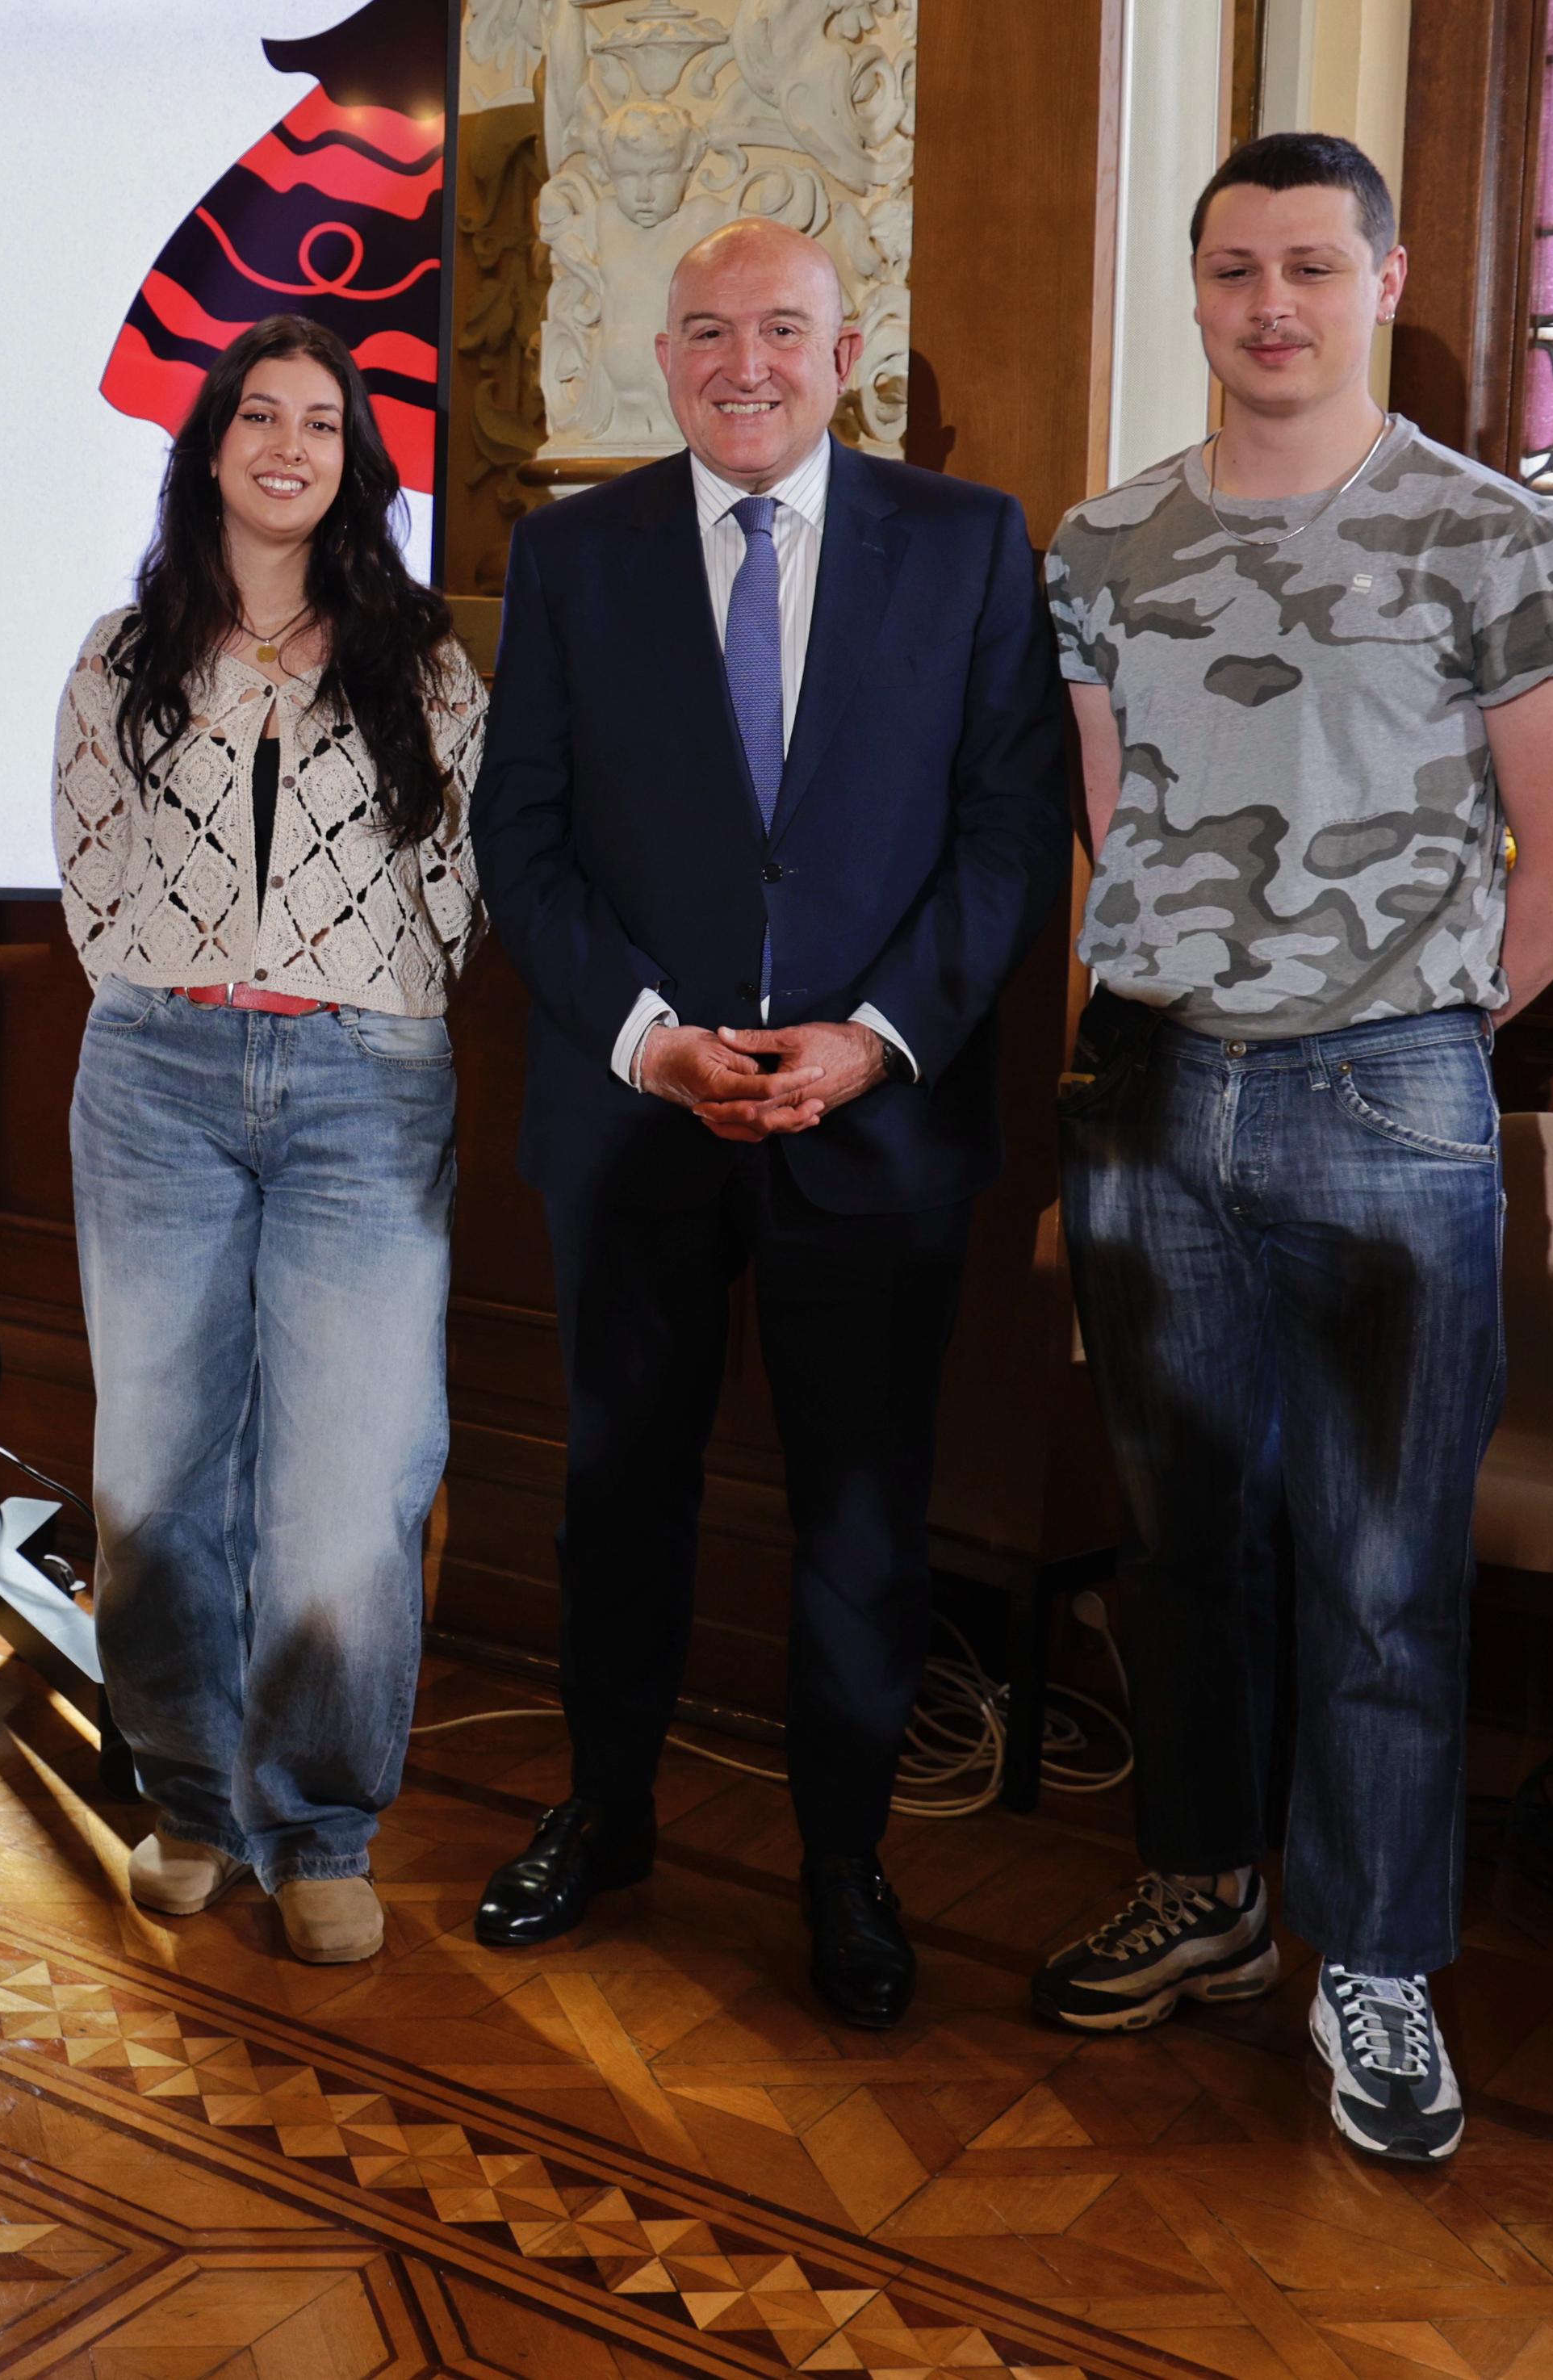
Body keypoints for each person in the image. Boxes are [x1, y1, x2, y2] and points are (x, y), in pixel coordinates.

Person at [1033, 133, 1553, 2165]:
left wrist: (1414, 1025)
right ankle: (1203, 1880)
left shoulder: (1492, 534)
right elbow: (1112, 825)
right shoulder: (1103, 543)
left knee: (1379, 1565)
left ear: (1381, 280)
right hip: (1147, 1090)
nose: (1266, 303)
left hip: (1387, 1097)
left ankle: (1371, 1958)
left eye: (1307, 264)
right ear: (1194, 290)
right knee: (1175, 1533)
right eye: (1232, 268)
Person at [468, 218, 1064, 2027]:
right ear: (662, 357)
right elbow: (522, 837)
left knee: (861, 1520)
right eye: (710, 330)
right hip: (634, 1120)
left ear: (845, 353)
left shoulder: (968, 544)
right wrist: (647, 1038)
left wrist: (875, 1041)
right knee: (616, 1493)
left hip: (873, 1129)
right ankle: (606, 1808)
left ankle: (844, 1865)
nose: (747, 363)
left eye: (784, 329)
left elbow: (1007, 833)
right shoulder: (570, 554)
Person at [53, 312, 491, 1968]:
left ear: (353, 460)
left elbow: (459, 878)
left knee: (350, 1482)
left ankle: (319, 1823)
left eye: (321, 420)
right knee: (153, 1477)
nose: (288, 443)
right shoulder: (123, 651)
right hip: (155, 1075)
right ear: (212, 446)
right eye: (259, 413)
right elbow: (88, 860)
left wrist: (364, 998)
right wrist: (179, 983)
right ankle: (191, 1801)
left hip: (363, 1086)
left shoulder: (422, 659)